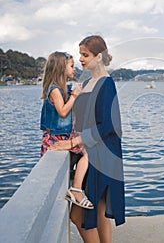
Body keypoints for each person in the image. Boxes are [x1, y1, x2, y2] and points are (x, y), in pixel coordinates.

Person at [50, 35, 125, 243]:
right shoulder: (89, 81)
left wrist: (73, 142)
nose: (81, 59)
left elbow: (109, 126)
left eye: (86, 55)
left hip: (102, 154)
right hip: (91, 151)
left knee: (81, 214)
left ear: (98, 57)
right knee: (98, 212)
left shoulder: (106, 83)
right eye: (80, 54)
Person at [40, 51, 93, 210]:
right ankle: (76, 189)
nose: (74, 69)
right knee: (87, 154)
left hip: (61, 135)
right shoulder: (55, 90)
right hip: (55, 138)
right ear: (61, 68)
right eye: (71, 66)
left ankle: (74, 187)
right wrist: (74, 96)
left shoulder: (62, 88)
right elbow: (63, 111)